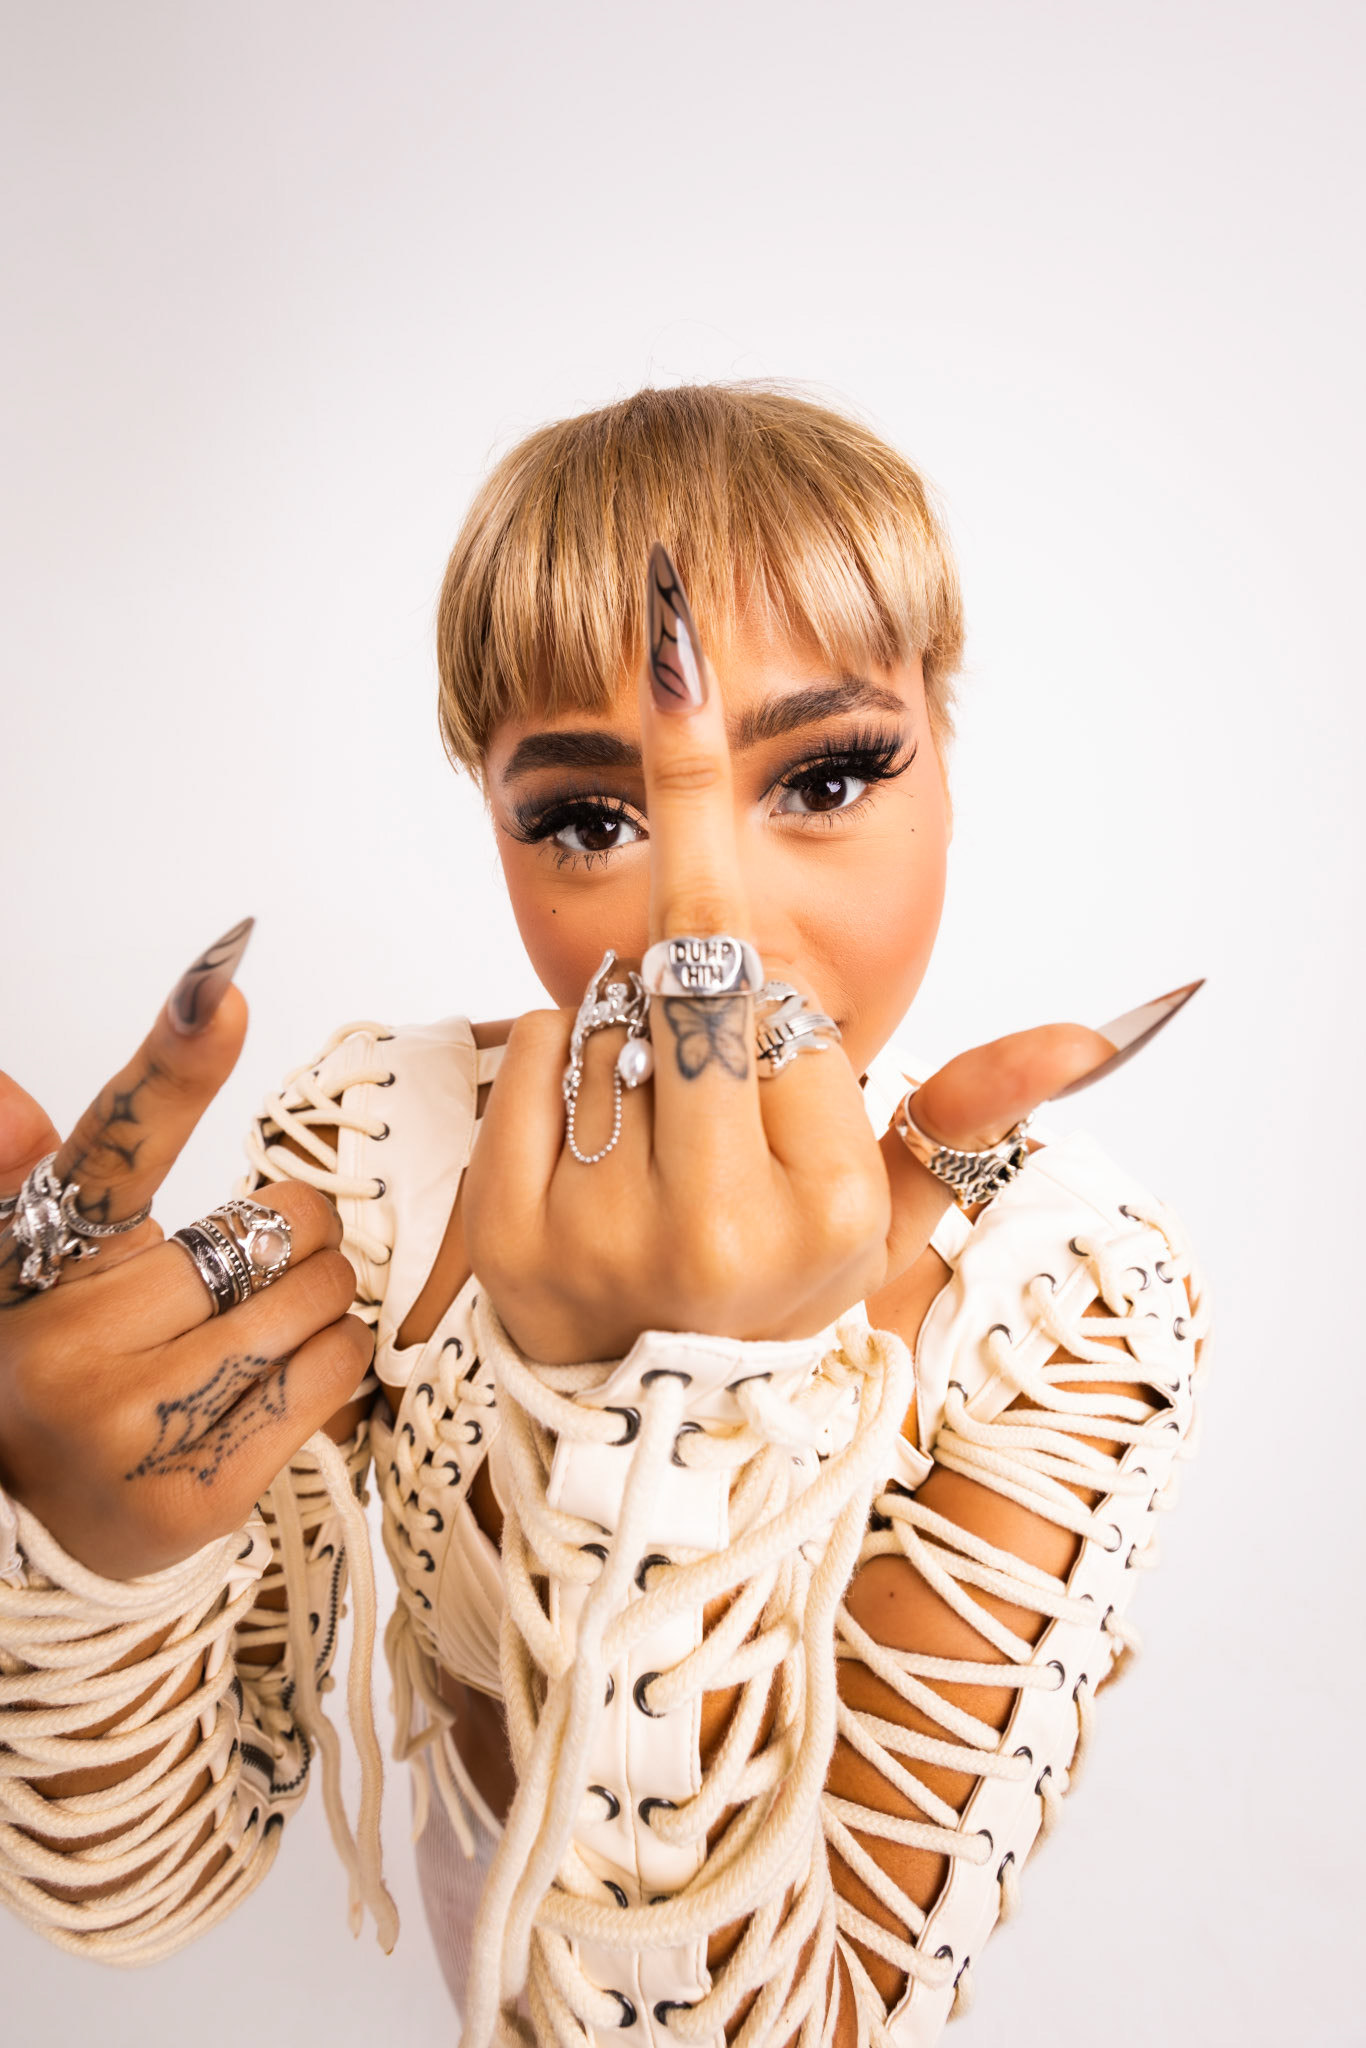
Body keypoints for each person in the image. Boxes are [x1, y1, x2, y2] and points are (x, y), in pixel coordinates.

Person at [0, 385, 1208, 2047]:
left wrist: (684, 1419)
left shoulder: (1055, 1297)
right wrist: (85, 1568)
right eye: (590, 819)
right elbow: (141, 1895)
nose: (716, 927)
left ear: (945, 752)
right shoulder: (390, 1151)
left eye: (825, 779)